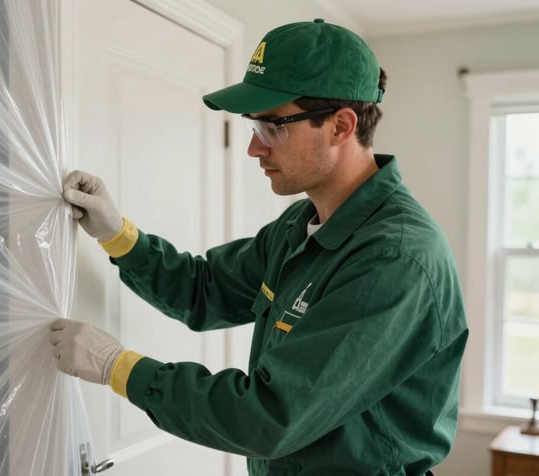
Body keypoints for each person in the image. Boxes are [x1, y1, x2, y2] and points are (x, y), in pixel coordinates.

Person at [49, 18, 468, 476]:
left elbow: (269, 416)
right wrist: (116, 233)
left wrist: (119, 367)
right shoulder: (301, 223)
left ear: (341, 126)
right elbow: (204, 290)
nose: (254, 148)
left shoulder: (392, 259)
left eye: (272, 128)